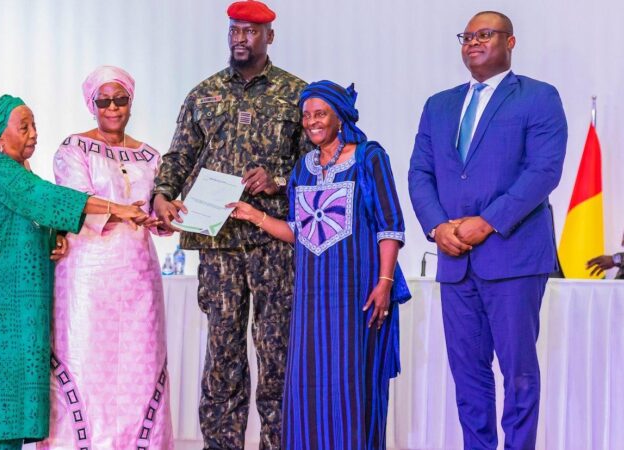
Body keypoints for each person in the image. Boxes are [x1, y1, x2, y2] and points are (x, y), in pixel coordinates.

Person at [0, 95, 148, 449]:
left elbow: (31, 218)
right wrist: (118, 208)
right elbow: (45, 199)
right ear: (1, 135)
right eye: (24, 127)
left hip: (9, 296)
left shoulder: (21, 172)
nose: (33, 134)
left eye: (34, 126)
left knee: (4, 384)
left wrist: (54, 238)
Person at [408, 11, 568, 450]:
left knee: (518, 374)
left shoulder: (538, 97)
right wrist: (436, 226)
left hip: (513, 256)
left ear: (510, 42)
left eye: (485, 34)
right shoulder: (439, 105)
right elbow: (420, 173)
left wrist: (488, 221)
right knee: (467, 374)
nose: (473, 42)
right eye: (467, 36)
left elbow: (543, 171)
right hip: (454, 261)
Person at [152, 1, 307, 447]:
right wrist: (162, 195)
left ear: (269, 37)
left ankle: (279, 443)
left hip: (272, 242)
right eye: (236, 31)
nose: (241, 38)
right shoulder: (203, 94)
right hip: (217, 243)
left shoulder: (295, 94)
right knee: (223, 355)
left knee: (277, 354)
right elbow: (179, 156)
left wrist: (277, 181)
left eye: (251, 32)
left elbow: (313, 165)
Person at [230, 80, 411, 450]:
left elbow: (390, 226)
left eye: (320, 114)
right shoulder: (303, 168)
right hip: (310, 299)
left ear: (339, 116)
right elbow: (300, 231)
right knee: (308, 384)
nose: (311, 121)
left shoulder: (369, 158)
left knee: (352, 383)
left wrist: (385, 282)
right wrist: (254, 216)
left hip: (357, 294)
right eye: (306, 115)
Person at [34, 67, 173, 449]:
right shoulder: (74, 149)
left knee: (140, 365)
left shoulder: (149, 155)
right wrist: (123, 211)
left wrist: (166, 215)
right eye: (104, 101)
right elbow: (77, 203)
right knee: (86, 361)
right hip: (86, 277)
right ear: (91, 104)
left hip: (139, 274)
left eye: (120, 99)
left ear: (131, 102)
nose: (112, 108)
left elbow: (153, 210)